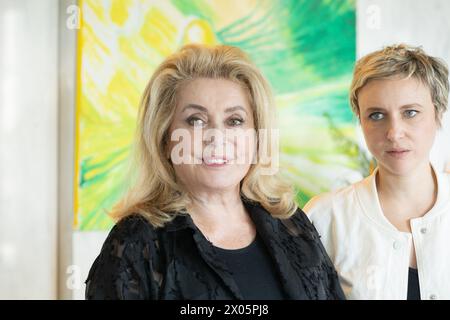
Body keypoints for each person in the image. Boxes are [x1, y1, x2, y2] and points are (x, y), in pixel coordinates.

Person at [85, 44, 344, 300]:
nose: (217, 138)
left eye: (234, 121)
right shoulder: (134, 243)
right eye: (196, 121)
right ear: (165, 139)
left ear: (256, 138)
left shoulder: (291, 224)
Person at [304, 44, 450, 300]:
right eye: (377, 115)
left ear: (437, 114)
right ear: (360, 120)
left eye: (411, 112)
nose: (394, 132)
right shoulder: (325, 218)